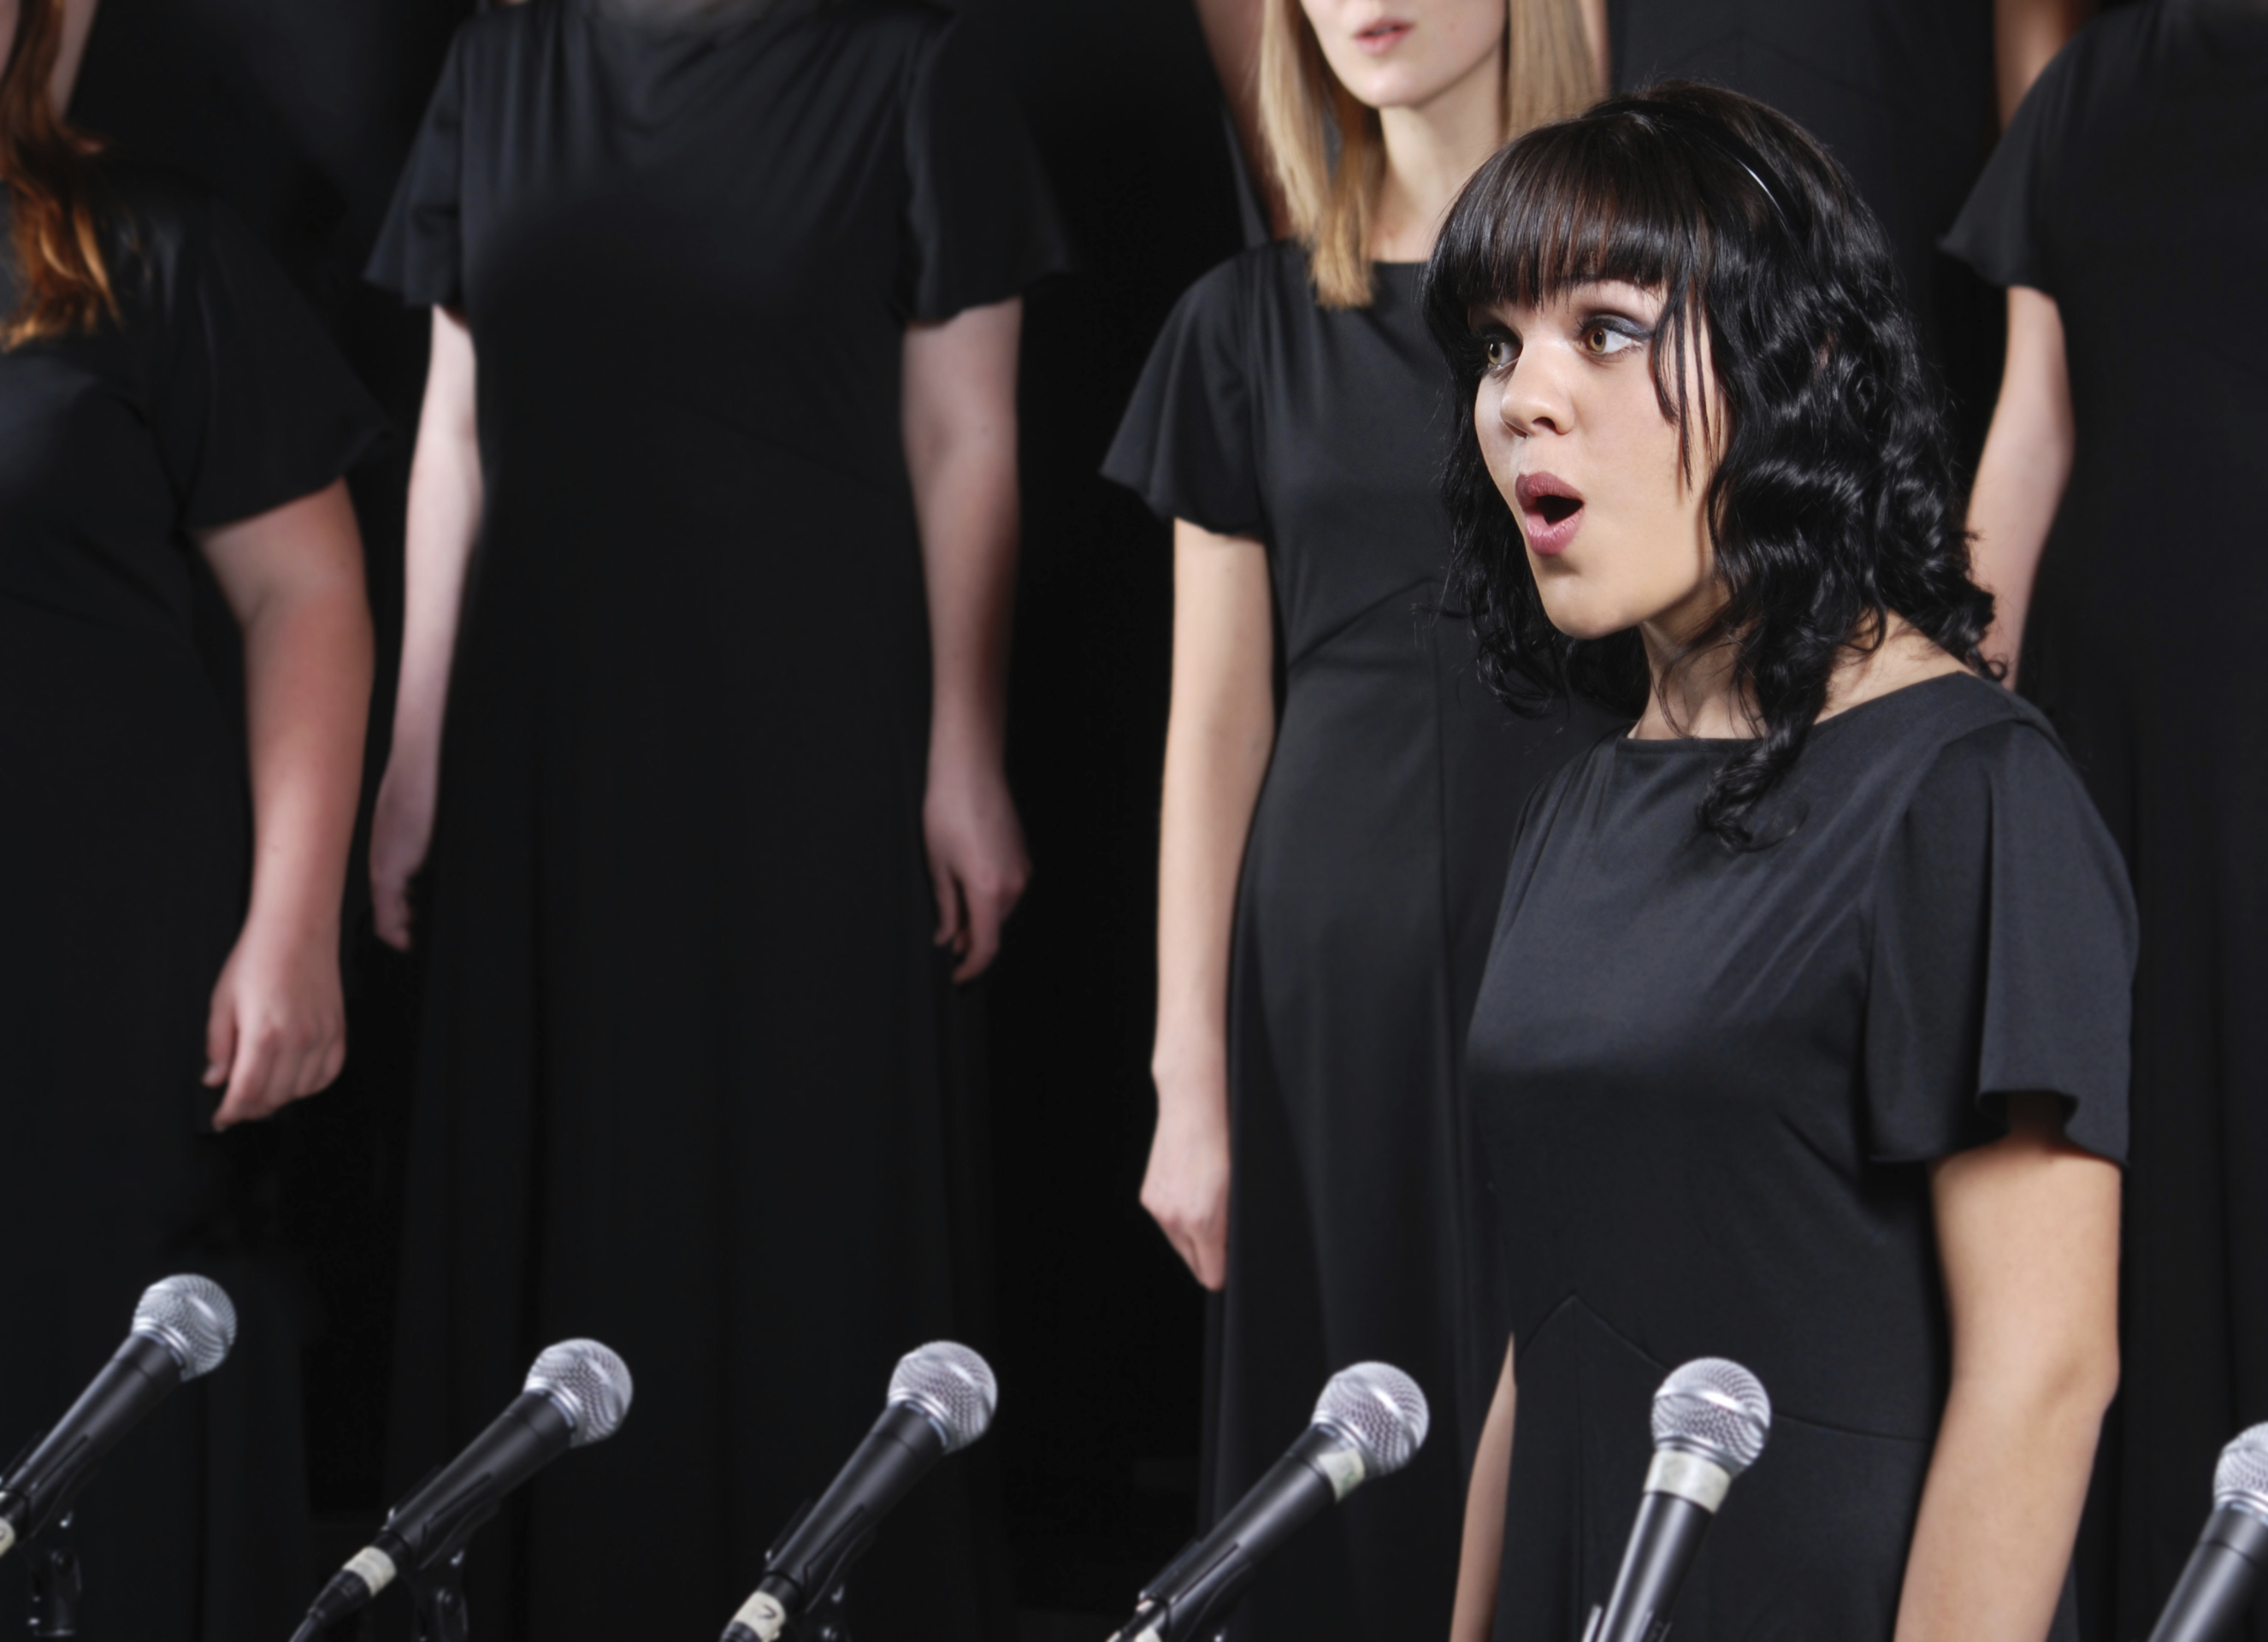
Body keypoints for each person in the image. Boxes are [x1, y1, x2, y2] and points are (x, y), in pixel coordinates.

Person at [361, 0, 1065, 1633]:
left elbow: (966, 434)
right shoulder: (499, 64)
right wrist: (415, 750)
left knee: (803, 1183)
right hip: (543, 730)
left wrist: (964, 744)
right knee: (560, 1174)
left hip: (810, 735)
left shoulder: (915, 69)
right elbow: (453, 434)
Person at [1432, 85, 2135, 1640]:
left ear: (1801, 362)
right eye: (1495, 344)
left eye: (1605, 329)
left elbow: (2045, 1372)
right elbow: (1544, 1347)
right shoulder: (1577, 806)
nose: (1524, 397)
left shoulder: (1971, 792)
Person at [1949, 2, 2268, 1634]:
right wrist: (1939, 741)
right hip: (2108, 777)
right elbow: (2033, 431)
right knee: (2130, 1227)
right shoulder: (2095, 84)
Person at [1102, 1, 1598, 1635]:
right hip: (1328, 960)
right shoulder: (1241, 324)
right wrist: (1188, 1072)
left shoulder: (1645, 303)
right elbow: (1214, 718)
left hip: (1587, 917)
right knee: (1351, 1432)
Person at [0, 0, 381, 1633]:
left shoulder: (147, 250)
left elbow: (309, 594)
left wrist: (293, 926)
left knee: (101, 1395)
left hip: (104, 976)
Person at [1575, 0, 2091, 448]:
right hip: (1643, 260)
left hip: (1902, 274)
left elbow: (2048, 161)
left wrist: (2036, 423)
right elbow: (1575, 94)